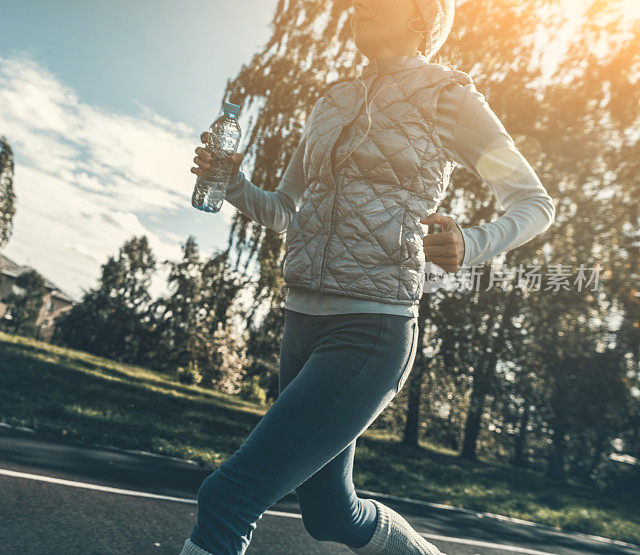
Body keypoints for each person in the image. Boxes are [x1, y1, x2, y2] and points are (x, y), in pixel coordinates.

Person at [182, 0, 555, 553]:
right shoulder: (332, 101)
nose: (359, 7)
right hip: (300, 324)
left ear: (419, 17)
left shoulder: (448, 97)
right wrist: (232, 184)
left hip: (370, 329)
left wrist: (472, 243)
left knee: (228, 497)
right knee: (331, 514)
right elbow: (287, 209)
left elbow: (533, 201)